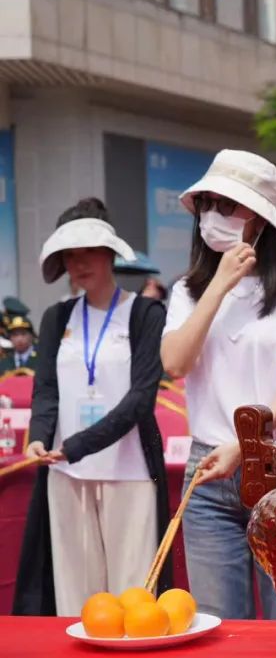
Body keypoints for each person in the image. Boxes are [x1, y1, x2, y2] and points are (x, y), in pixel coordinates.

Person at [160, 150, 276, 619]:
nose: (214, 216)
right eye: (208, 204)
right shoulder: (186, 291)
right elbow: (175, 362)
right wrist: (217, 286)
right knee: (219, 625)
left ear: (260, 220)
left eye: (228, 205)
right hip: (208, 468)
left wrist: (247, 443)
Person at [14, 198, 170, 616]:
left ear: (110, 253)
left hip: (129, 469)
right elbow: (45, 389)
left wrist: (80, 442)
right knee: (75, 597)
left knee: (132, 594)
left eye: (88, 252)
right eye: (70, 255)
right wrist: (39, 438)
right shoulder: (55, 316)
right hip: (65, 471)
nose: (79, 263)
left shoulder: (145, 313)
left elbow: (141, 399)